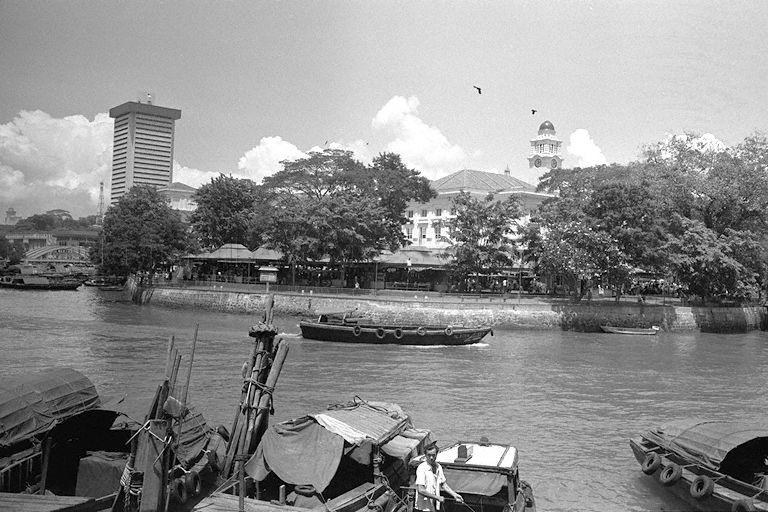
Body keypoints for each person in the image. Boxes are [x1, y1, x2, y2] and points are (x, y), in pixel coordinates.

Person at [415, 443, 463, 512]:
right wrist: (437, 497)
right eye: (429, 455)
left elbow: (443, 484)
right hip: (424, 507)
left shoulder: (438, 467)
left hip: (433, 504)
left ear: (436, 454)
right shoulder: (422, 468)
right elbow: (421, 489)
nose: (431, 458)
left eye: (433, 455)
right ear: (425, 455)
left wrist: (454, 495)